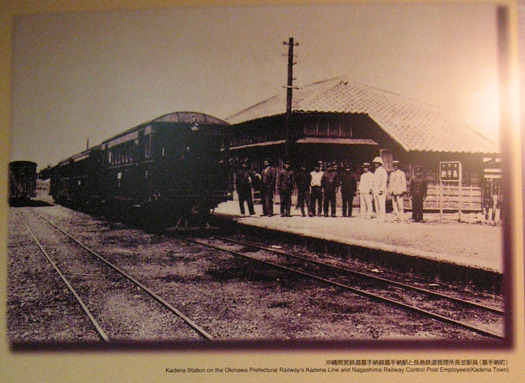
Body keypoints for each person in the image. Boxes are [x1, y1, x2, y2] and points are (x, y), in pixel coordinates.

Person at [372, 157, 388, 221]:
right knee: (376, 204)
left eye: (377, 163)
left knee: (381, 205)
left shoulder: (382, 171)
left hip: (380, 191)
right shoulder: (376, 171)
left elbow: (384, 181)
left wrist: (381, 189)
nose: (376, 164)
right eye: (375, 163)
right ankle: (378, 216)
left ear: (380, 163)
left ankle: (382, 217)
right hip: (375, 190)